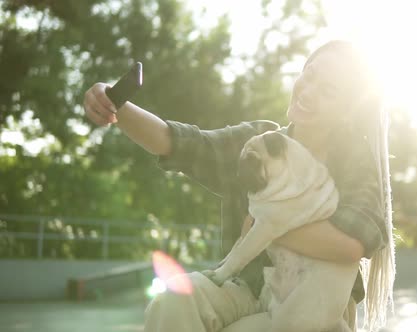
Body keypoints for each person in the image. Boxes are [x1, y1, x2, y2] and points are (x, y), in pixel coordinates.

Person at [83, 40, 395, 332]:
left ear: (347, 110)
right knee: (173, 301)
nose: (308, 92)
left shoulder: (354, 161)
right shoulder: (259, 142)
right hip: (247, 287)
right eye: (309, 75)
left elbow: (351, 243)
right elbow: (182, 144)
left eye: (328, 91)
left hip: (314, 304)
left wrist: (266, 227)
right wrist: (116, 107)